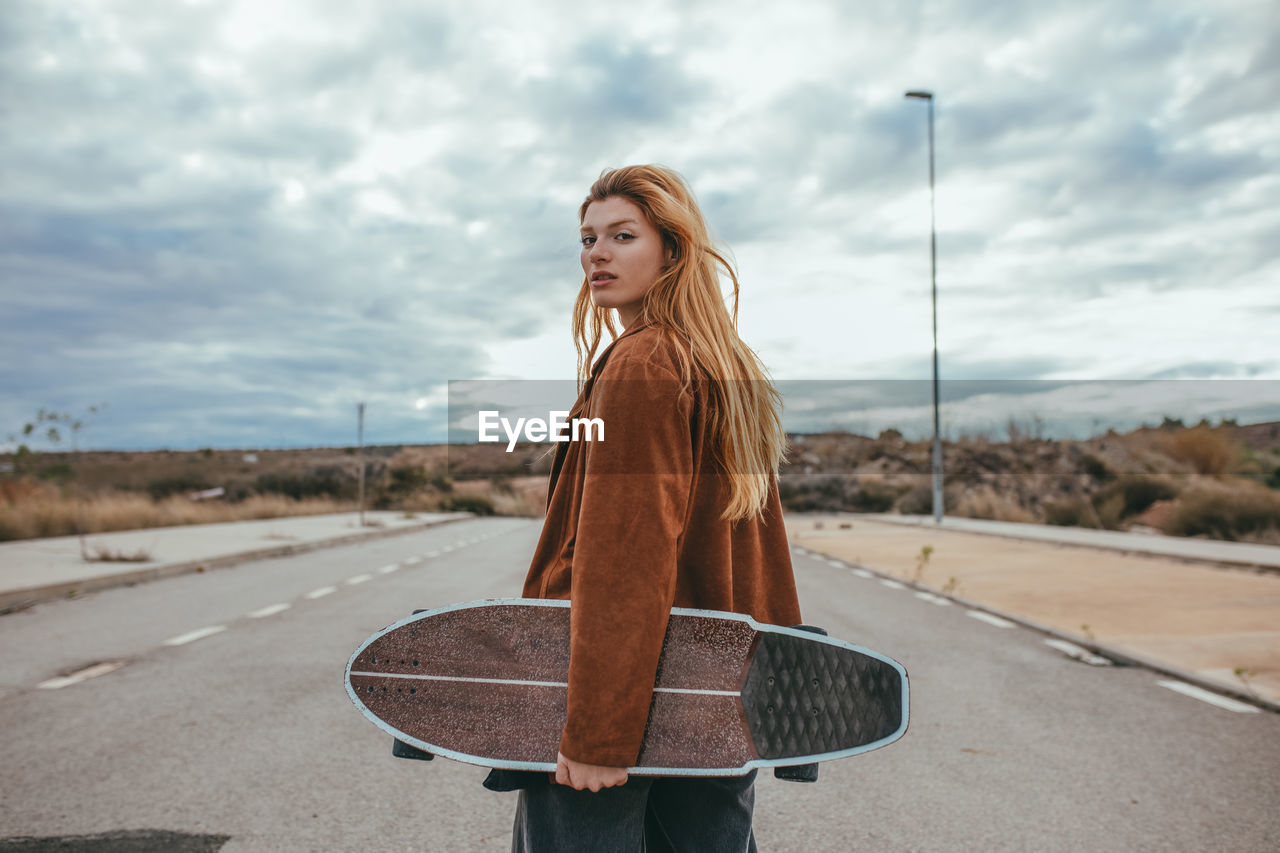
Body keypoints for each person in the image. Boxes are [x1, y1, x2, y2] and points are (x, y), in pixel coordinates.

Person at [496, 164, 803, 852]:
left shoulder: (644, 363)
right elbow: (761, 553)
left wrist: (601, 733)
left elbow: (624, 560)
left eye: (622, 235)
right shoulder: (721, 365)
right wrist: (780, 698)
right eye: (588, 237)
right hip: (715, 701)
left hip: (626, 711)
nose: (595, 253)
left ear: (672, 248)